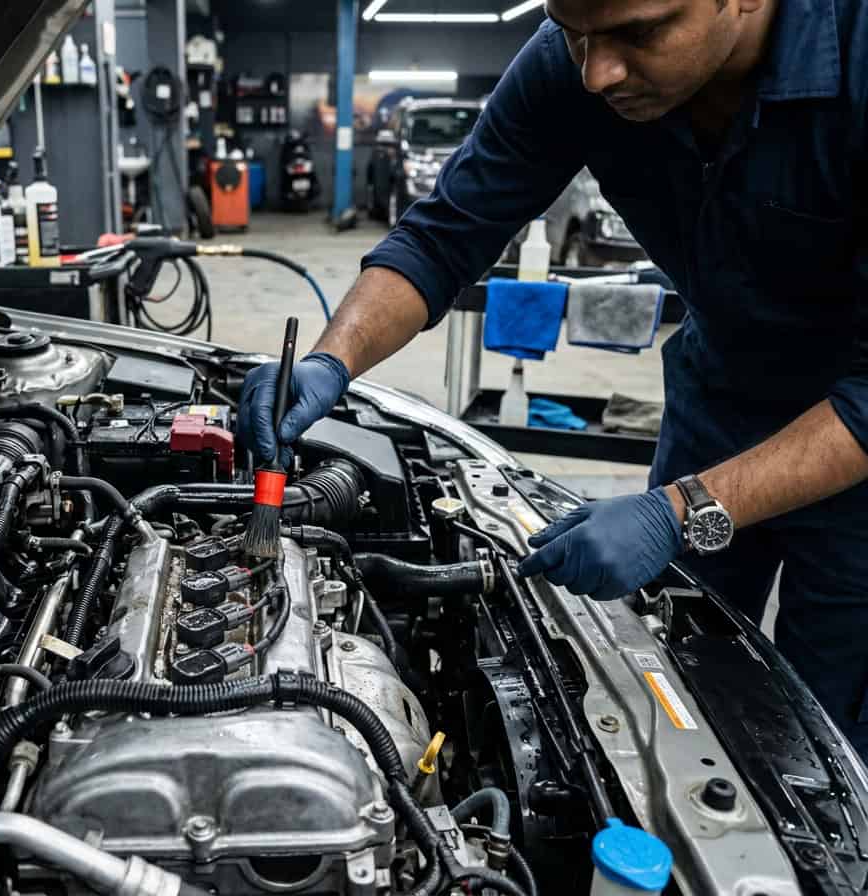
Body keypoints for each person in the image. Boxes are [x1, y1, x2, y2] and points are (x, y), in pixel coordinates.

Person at [237, 0, 868, 758]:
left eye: (639, 34)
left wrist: (682, 507)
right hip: (721, 388)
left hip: (857, 452)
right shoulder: (573, 60)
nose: (598, 72)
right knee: (675, 679)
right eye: (575, 34)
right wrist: (329, 360)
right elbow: (445, 233)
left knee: (823, 736)